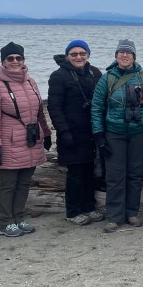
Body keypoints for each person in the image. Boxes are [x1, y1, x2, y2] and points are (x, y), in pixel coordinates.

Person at [91, 40, 143, 234]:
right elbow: (97, 107)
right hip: (114, 133)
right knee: (114, 176)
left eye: (128, 53)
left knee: (136, 174)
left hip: (139, 133)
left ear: (134, 56)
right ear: (116, 56)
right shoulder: (107, 79)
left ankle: (132, 213)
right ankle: (115, 217)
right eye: (121, 52)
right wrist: (98, 134)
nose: (125, 56)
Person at [0, 42, 52, 237]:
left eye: (19, 58)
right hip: (9, 141)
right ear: (3, 62)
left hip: (31, 140)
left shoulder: (31, 82)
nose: (15, 61)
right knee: (7, 184)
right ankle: (5, 221)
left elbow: (39, 112)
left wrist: (46, 133)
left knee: (24, 182)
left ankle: (19, 217)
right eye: (10, 58)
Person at [48, 40, 104, 226]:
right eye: (74, 54)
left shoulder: (95, 72)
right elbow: (54, 107)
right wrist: (63, 131)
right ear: (67, 56)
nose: (78, 57)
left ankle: (89, 206)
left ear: (88, 54)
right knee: (75, 173)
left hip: (92, 131)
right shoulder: (59, 76)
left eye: (82, 53)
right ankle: (73, 211)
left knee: (91, 172)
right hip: (71, 132)